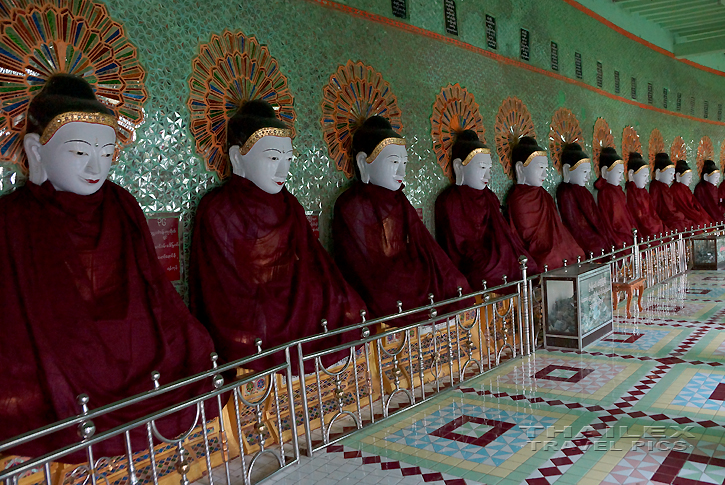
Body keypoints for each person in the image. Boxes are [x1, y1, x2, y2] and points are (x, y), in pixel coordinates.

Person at [0, 74, 216, 459]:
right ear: (35, 152)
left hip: (135, 350)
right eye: (80, 152)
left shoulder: (122, 204)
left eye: (106, 150)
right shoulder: (13, 219)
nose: (96, 165)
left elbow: (152, 288)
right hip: (58, 354)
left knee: (196, 348)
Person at [189, 100, 365, 373]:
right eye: (272, 159)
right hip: (253, 312)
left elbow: (313, 264)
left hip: (295, 302)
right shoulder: (218, 210)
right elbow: (220, 291)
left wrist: (324, 296)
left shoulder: (289, 204)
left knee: (352, 308)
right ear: (237, 158)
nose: (283, 171)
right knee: (249, 336)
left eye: (288, 160)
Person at [332, 116, 471, 326]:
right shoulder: (352, 204)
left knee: (457, 283)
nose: (401, 172)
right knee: (383, 301)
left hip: (409, 272)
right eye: (394, 162)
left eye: (404, 163)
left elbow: (424, 245)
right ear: (363, 162)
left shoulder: (400, 200)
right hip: (381, 279)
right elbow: (362, 267)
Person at [435, 130, 536, 290]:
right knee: (483, 276)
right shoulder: (450, 200)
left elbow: (503, 234)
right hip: (473, 261)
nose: (487, 174)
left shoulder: (489, 196)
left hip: (497, 254)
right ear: (458, 166)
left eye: (489, 168)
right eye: (482, 167)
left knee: (528, 265)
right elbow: (457, 246)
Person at [506, 136, 584, 269]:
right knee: (548, 261)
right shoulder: (518, 199)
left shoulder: (545, 195)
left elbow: (557, 227)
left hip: (557, 244)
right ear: (520, 168)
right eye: (540, 168)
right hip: (540, 250)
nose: (544, 174)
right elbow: (529, 235)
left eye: (546, 169)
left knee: (578, 253)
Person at [555, 143, 615, 257]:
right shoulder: (565, 192)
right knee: (598, 246)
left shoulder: (585, 192)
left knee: (608, 242)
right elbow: (574, 224)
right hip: (580, 237)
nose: (588, 178)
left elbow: (596, 219)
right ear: (567, 170)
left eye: (588, 173)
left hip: (594, 233)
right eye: (584, 172)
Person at [594, 147, 638, 249]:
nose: (622, 178)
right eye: (619, 173)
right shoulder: (606, 193)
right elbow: (614, 220)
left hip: (628, 231)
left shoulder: (618, 191)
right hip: (617, 235)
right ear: (605, 171)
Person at [649, 153, 694, 232]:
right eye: (670, 174)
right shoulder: (655, 187)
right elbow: (659, 211)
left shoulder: (666, 188)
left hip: (672, 217)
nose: (672, 177)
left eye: (673, 174)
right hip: (663, 220)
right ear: (658, 173)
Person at [625, 153, 665, 239]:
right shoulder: (630, 193)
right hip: (643, 230)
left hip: (653, 225)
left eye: (647, 176)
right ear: (631, 174)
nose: (647, 180)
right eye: (644, 176)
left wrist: (658, 223)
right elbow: (638, 218)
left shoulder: (644, 192)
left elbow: (653, 212)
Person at [670, 159, 713, 228]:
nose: (691, 180)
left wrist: (704, 216)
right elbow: (685, 208)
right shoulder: (676, 189)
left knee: (707, 221)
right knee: (700, 223)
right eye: (688, 177)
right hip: (685, 216)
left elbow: (696, 205)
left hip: (692, 213)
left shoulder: (686, 189)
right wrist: (698, 216)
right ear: (678, 176)